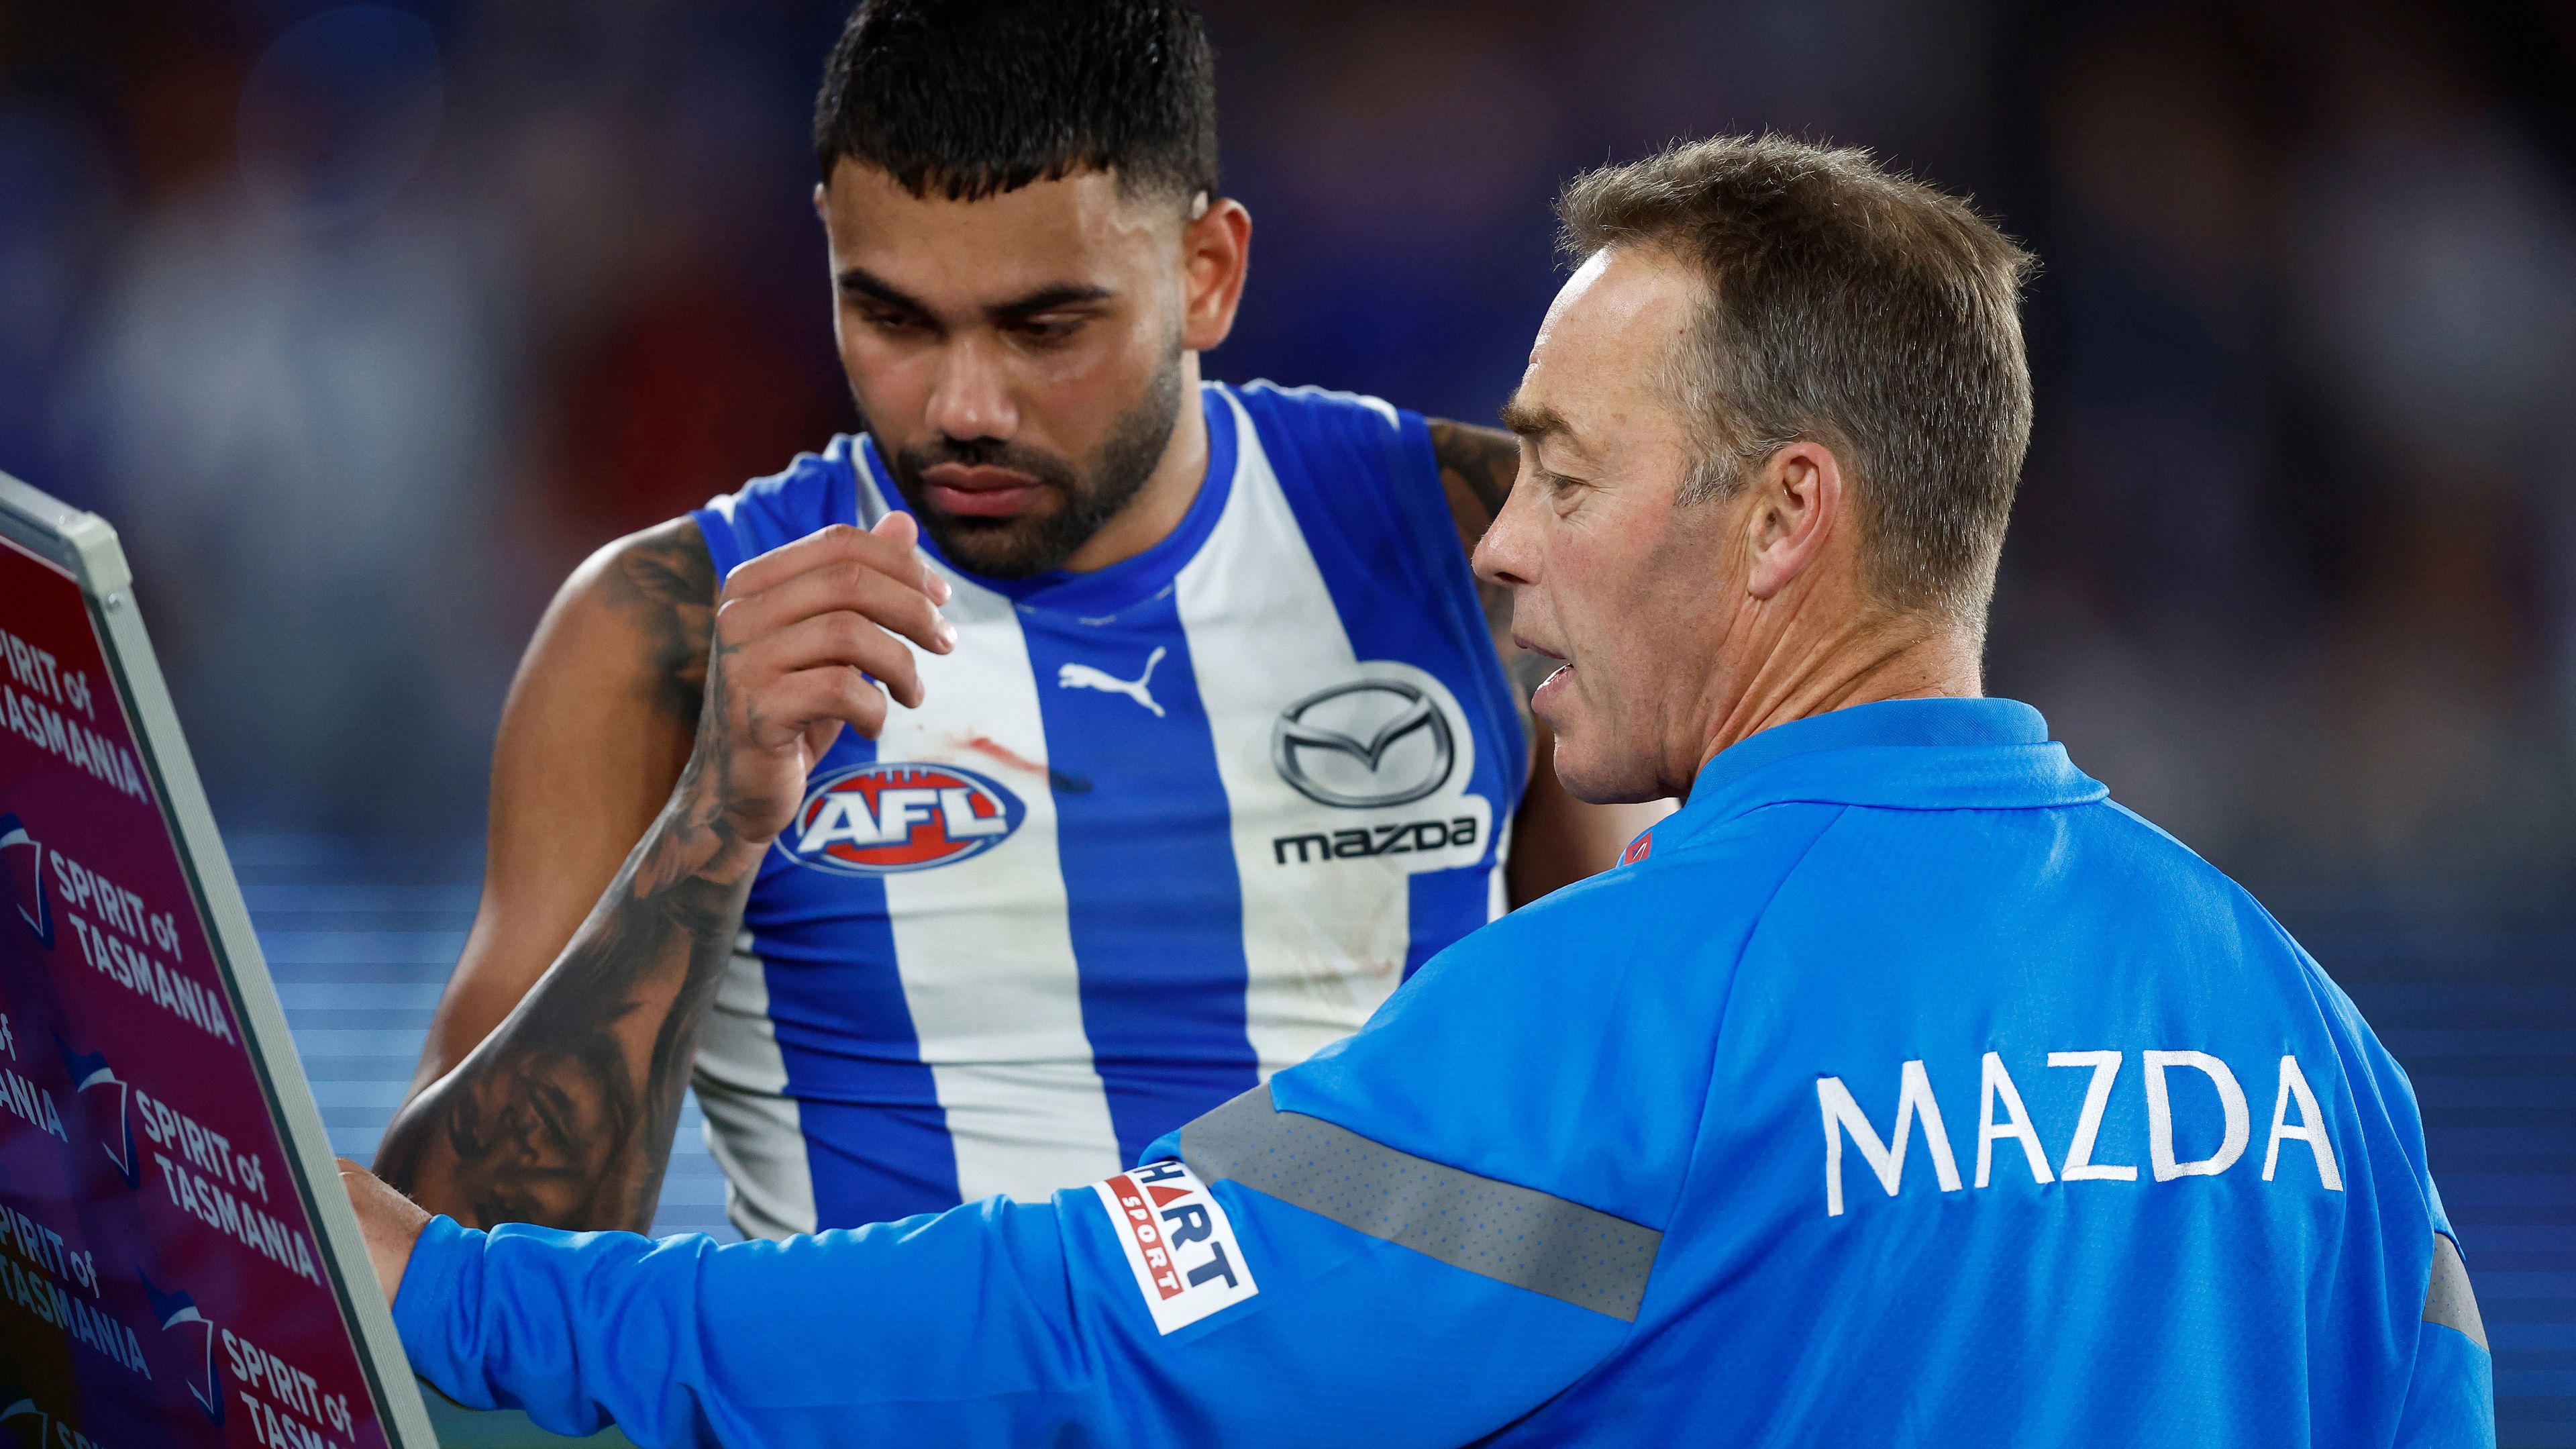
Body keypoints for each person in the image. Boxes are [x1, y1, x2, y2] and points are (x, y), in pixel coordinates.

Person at [343, 135, 2494, 1447]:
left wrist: (461, 1289)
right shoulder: (2302, 1038)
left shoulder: (1620, 1019)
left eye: (1567, 469)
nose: (1499, 539)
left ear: (1782, 521)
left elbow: (1085, 1341)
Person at [372, 0, 1655, 1240]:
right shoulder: (663, 631)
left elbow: (1618, 1136)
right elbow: (451, 1271)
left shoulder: (1482, 549)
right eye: (892, 318)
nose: (964, 404)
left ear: (1207, 273)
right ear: (827, 245)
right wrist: (714, 821)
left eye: (1045, 326)